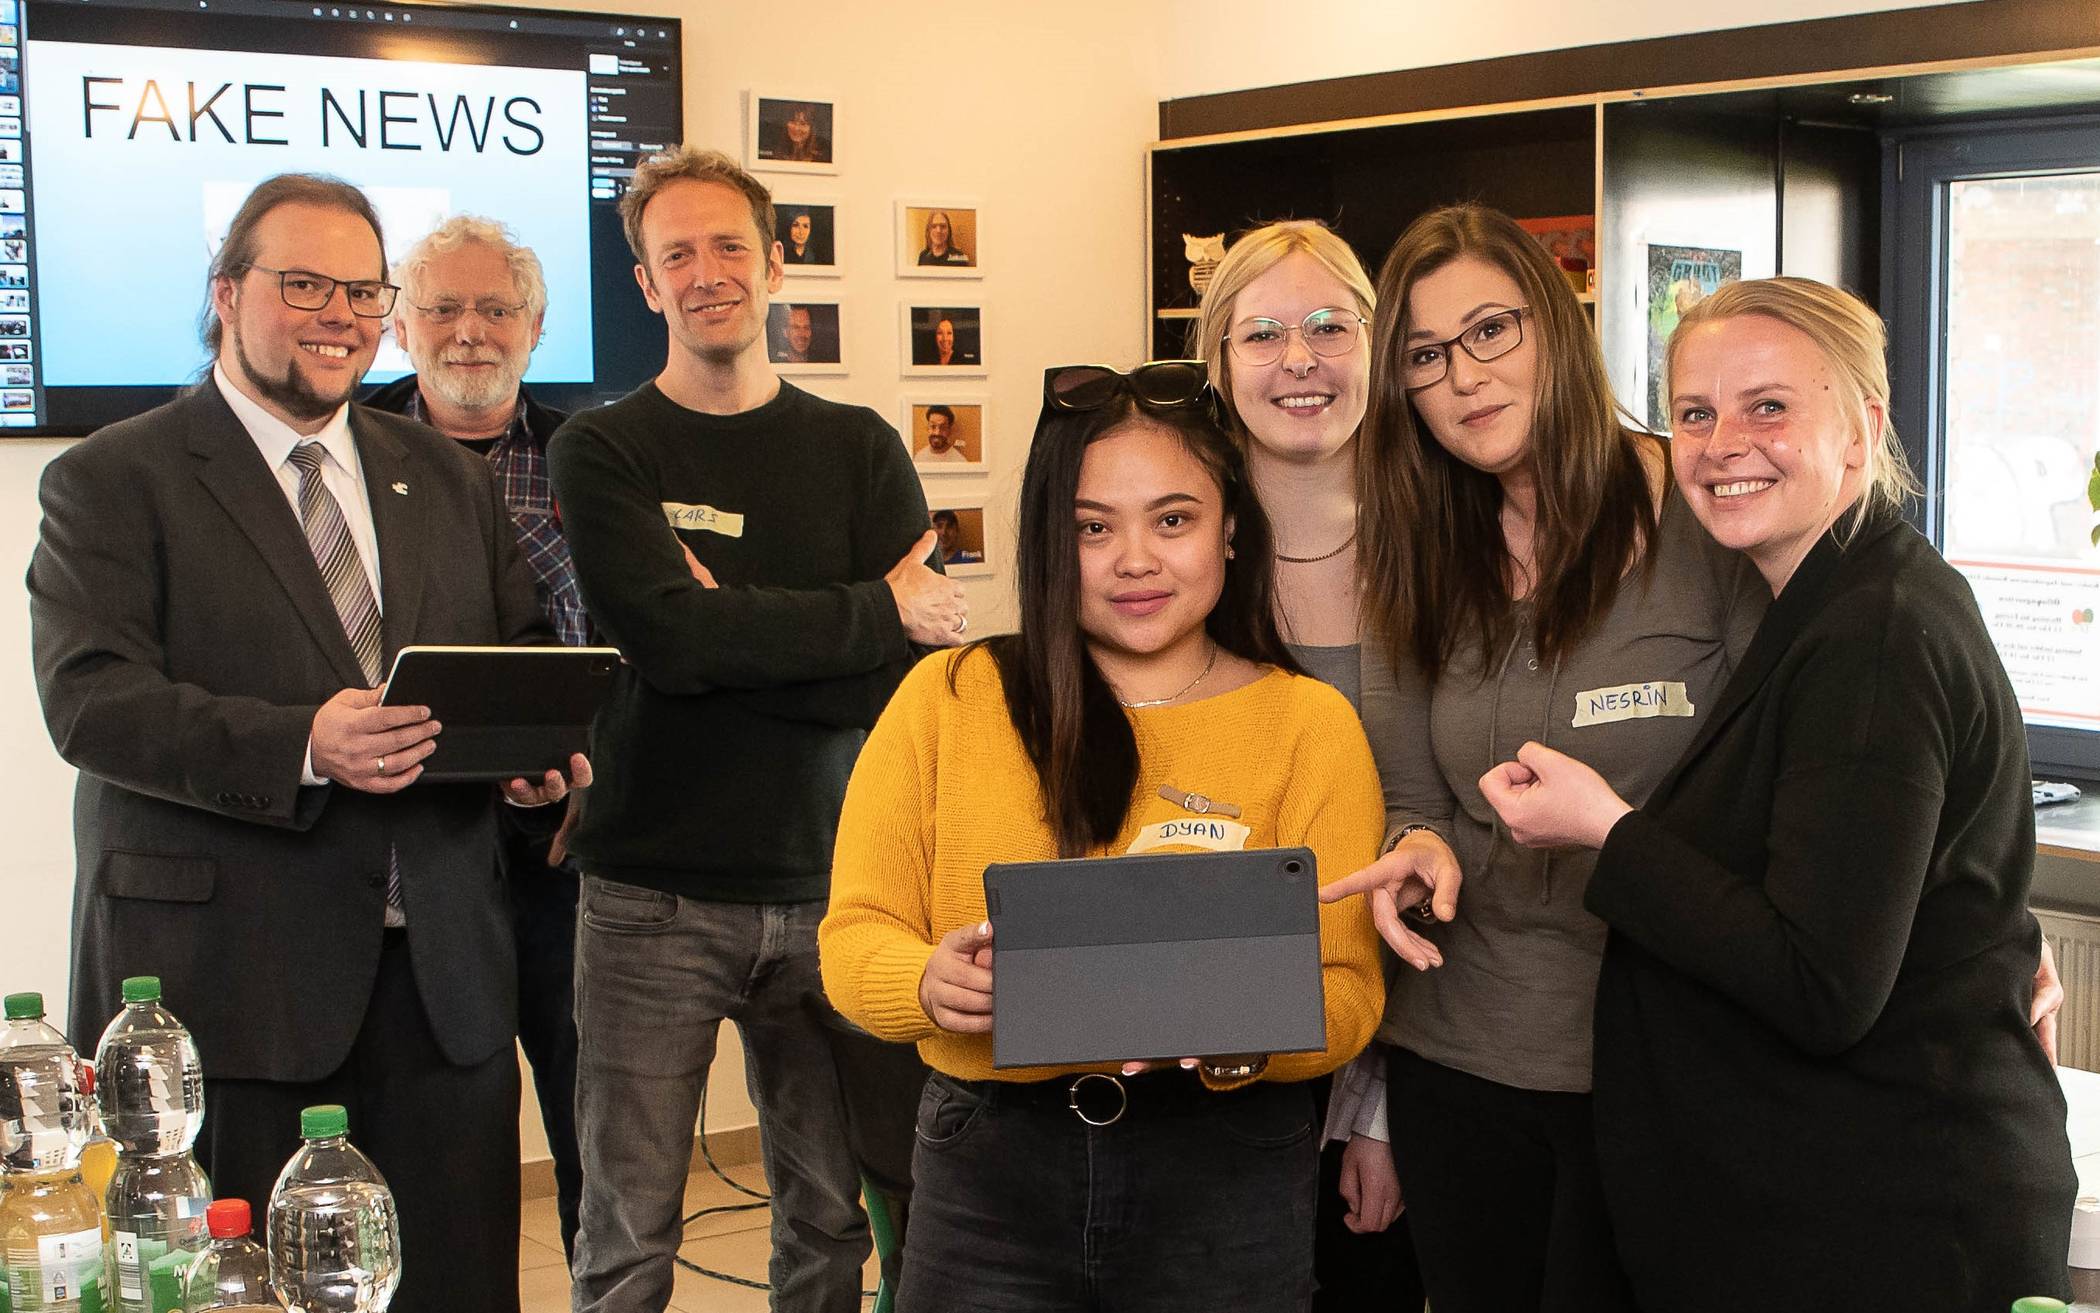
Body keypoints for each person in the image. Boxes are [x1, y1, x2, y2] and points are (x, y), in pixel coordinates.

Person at [27, 172, 582, 1313]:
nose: (341, 312)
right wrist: (302, 742)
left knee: (460, 1286)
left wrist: (532, 754)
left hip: (443, 983)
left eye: (363, 289)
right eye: (305, 283)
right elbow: (90, 700)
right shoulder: (111, 476)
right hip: (232, 986)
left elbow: (514, 647)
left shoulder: (441, 475)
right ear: (227, 293)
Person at [1476, 276, 2076, 1311]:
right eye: (1695, 413)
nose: (1722, 442)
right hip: (1821, 1203)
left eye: (1769, 406)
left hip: (1891, 1222)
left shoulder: (1874, 635)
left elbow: (1819, 981)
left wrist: (1605, 830)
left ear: (1861, 427)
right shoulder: (1833, 601)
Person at [820, 360, 1387, 1310]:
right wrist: (926, 979)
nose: (1135, 559)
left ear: (1232, 528)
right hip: (989, 1166)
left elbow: (1350, 992)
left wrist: (1232, 1032)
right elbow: (852, 937)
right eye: (1093, 527)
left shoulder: (1309, 726)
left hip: (1227, 1167)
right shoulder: (950, 699)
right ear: (1051, 540)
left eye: (1174, 519)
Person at [1319, 203, 1769, 1312]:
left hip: (1650, 1062)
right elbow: (1413, 794)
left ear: (1555, 329)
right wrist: (1415, 845)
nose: (1463, 375)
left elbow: (1792, 772)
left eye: (1490, 331)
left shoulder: (1701, 516)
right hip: (1456, 1053)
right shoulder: (1418, 543)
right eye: (1425, 354)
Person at [547, 145, 961, 1313]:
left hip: (837, 889)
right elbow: (673, 646)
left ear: (779, 264)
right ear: (645, 285)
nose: (705, 271)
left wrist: (726, 626)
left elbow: (901, 683)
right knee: (627, 1230)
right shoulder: (603, 448)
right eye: (674, 252)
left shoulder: (859, 446)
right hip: (647, 896)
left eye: (729, 244)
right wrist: (866, 611)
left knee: (827, 1218)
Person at [1191, 218, 1424, 1311]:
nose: (1300, 359)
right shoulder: (1175, 557)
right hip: (1199, 1054)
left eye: (1332, 326)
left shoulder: (1450, 546)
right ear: (1217, 359)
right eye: (1264, 332)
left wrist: (1373, 1109)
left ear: (1377, 345)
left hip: (1403, 1044)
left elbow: (1444, 824)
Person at [364, 213, 588, 1262]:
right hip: (409, 845)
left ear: (534, 327)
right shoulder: (346, 455)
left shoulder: (595, 458)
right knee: (430, 1120)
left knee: (592, 1106)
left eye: (495, 307)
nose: (469, 331)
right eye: (442, 308)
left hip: (568, 841)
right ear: (400, 328)